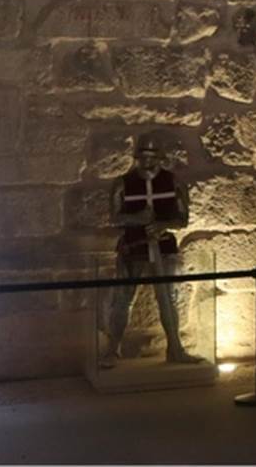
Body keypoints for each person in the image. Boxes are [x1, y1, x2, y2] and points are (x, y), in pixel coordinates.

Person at [102, 130, 200, 367]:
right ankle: (112, 350)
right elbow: (115, 218)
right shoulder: (122, 183)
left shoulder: (174, 182)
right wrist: (137, 219)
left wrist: (162, 225)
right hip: (133, 245)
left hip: (163, 246)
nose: (147, 161)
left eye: (152, 156)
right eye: (143, 156)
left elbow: (182, 219)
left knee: (167, 298)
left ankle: (175, 348)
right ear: (137, 157)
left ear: (159, 157)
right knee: (123, 298)